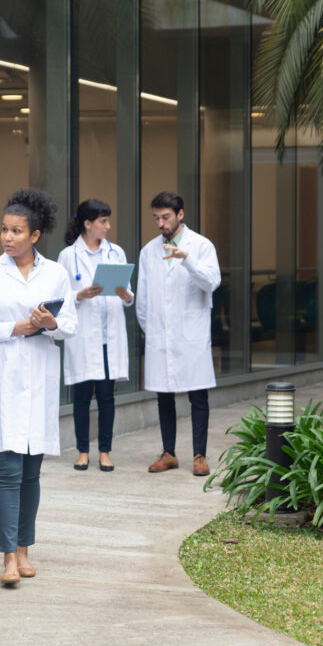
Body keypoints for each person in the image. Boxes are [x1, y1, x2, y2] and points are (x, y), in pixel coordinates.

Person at [0, 188, 77, 585]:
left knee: (32, 474)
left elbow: (71, 326)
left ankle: (26, 551)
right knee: (9, 472)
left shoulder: (56, 273)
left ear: (35, 235)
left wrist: (50, 324)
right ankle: (8, 557)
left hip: (40, 378)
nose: (7, 237)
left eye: (16, 231)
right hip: (3, 378)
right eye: (3, 230)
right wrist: (17, 327)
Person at [135, 191, 220, 477]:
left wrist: (187, 260)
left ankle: (200, 455)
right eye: (156, 218)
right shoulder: (148, 251)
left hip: (191, 334)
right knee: (164, 395)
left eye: (166, 217)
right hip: (161, 335)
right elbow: (144, 297)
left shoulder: (201, 246)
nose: (160, 223)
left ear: (180, 215)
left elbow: (211, 282)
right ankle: (168, 453)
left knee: (198, 395)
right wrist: (152, 330)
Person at [57, 199, 133, 472]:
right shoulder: (68, 256)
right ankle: (82, 451)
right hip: (83, 334)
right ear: (88, 224)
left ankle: (105, 451)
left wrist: (126, 294)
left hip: (108, 334)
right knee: (81, 396)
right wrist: (80, 294)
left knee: (106, 397)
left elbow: (128, 294)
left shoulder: (116, 253)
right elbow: (60, 296)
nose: (108, 227)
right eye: (103, 222)